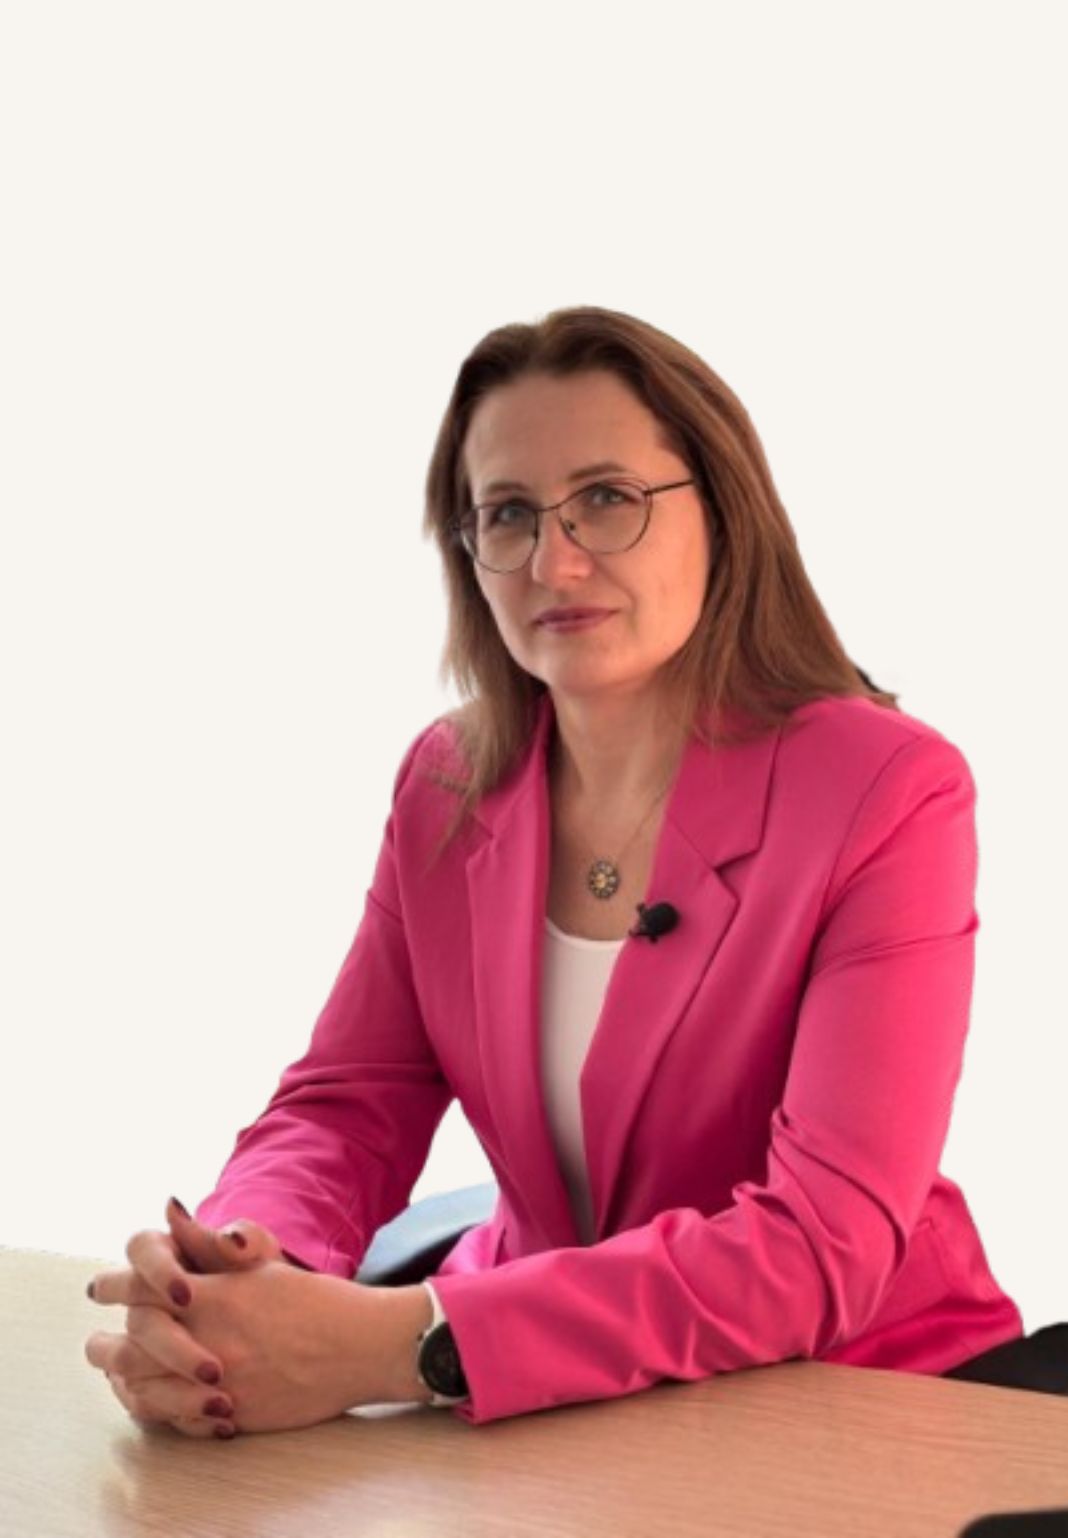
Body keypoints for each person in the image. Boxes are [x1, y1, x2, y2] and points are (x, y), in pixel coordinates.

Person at [84, 304, 1027, 1437]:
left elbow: (821, 1245)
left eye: (608, 498)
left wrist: (405, 1340)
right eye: (509, 513)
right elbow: (349, 1105)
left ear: (724, 512)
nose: (554, 559)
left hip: (856, 1395)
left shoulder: (886, 788)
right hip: (549, 1413)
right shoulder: (448, 781)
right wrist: (235, 1281)